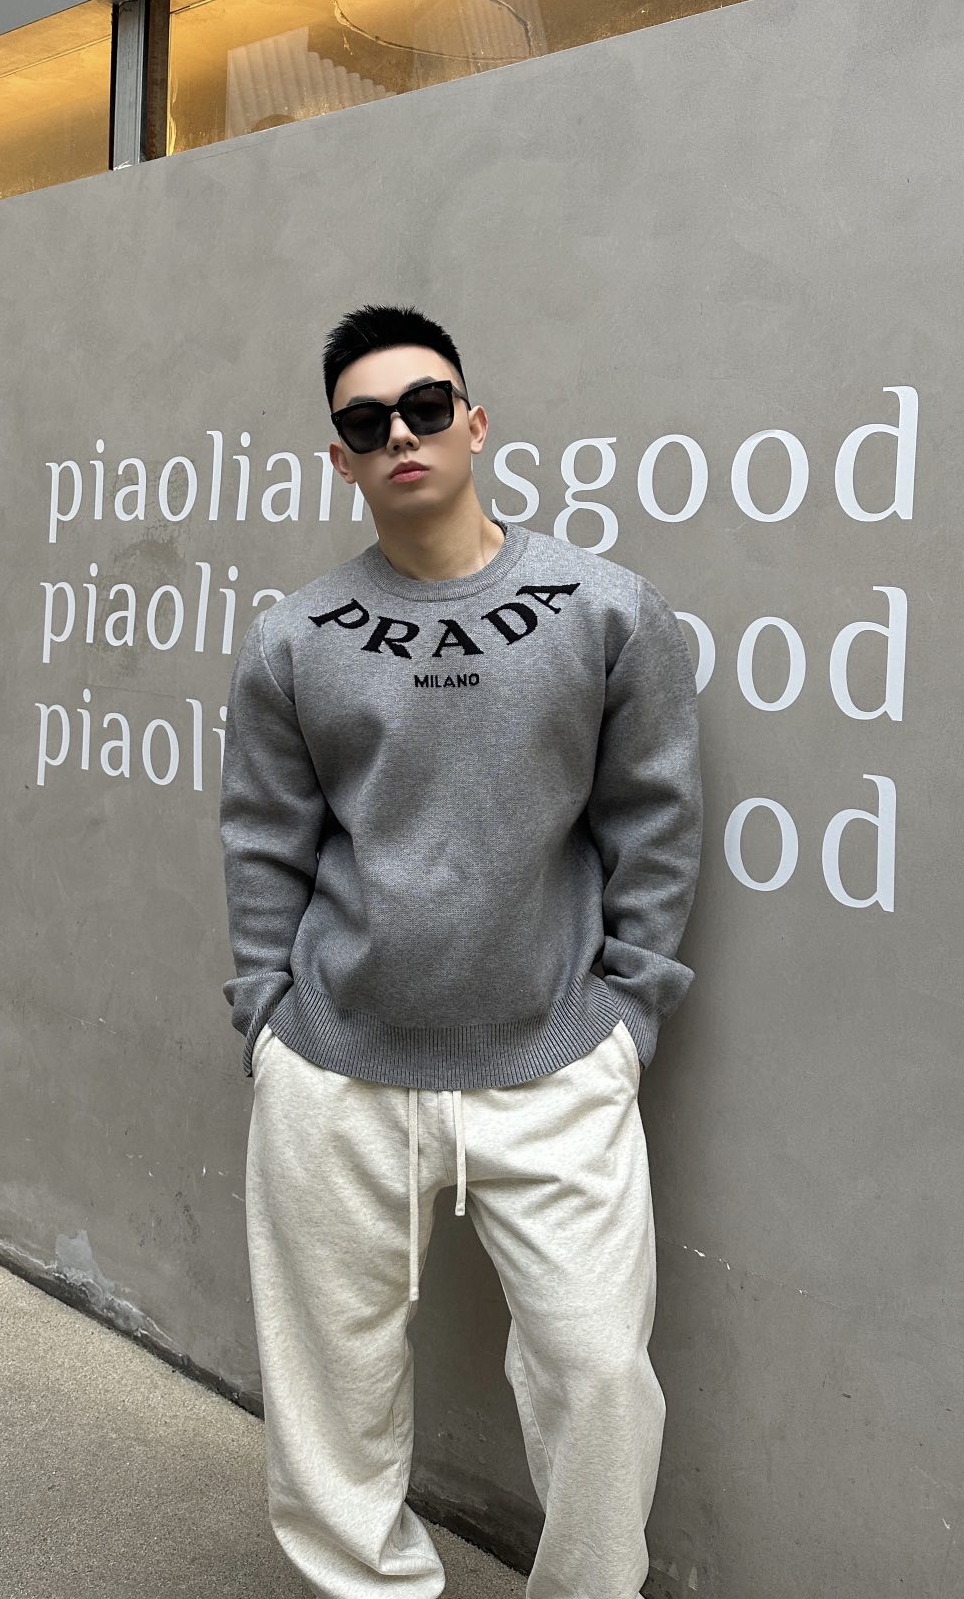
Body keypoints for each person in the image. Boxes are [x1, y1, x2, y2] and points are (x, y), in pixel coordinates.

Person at [219, 302, 703, 1599]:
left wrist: (628, 1017)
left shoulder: (607, 610)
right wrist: (267, 1017)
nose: (402, 434)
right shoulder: (295, 639)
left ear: (475, 423)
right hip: (338, 1071)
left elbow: (656, 823)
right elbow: (264, 840)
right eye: (367, 421)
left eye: (426, 406)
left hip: (552, 1068)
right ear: (340, 457)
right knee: (331, 1400)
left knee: (600, 1375)